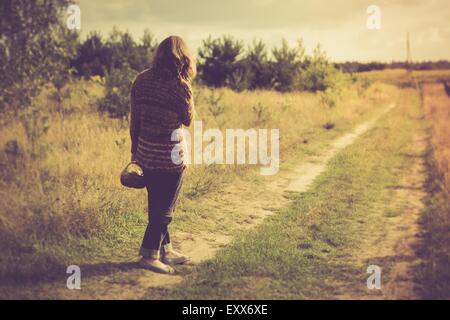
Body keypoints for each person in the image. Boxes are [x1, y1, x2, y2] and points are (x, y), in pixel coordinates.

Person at [129, 35, 195, 274]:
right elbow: (187, 120)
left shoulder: (141, 80)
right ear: (183, 58)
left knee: (156, 202)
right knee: (164, 209)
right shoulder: (181, 87)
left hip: (146, 152)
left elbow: (135, 119)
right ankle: (148, 255)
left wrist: (134, 152)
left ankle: (165, 250)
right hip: (170, 156)